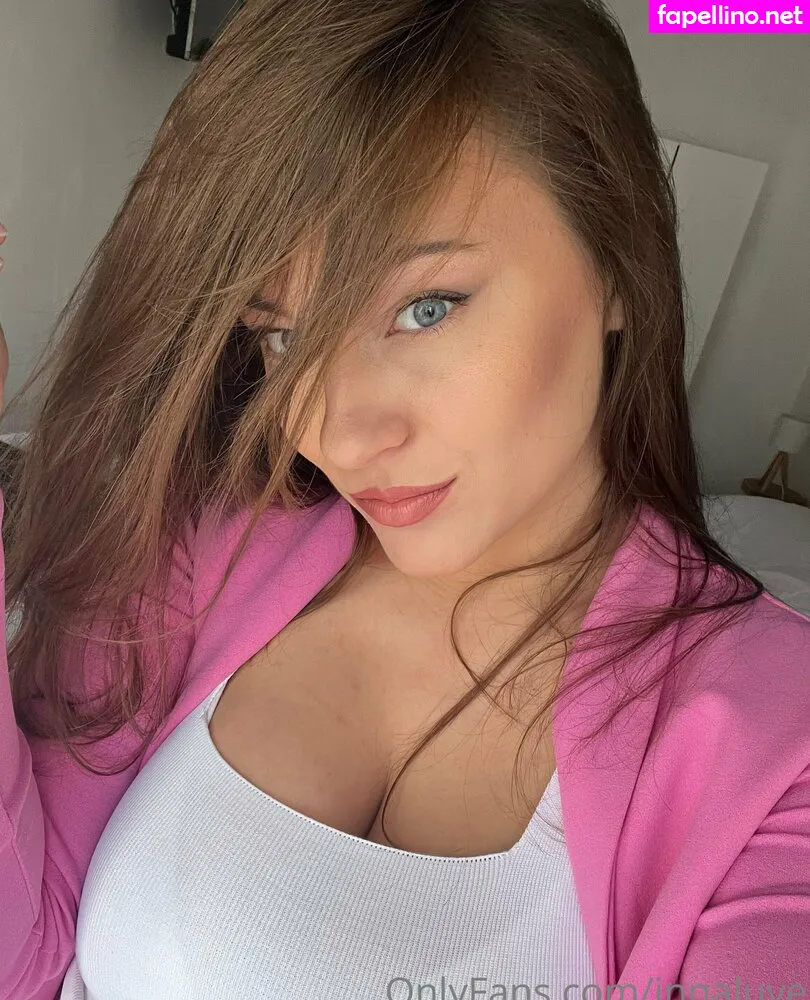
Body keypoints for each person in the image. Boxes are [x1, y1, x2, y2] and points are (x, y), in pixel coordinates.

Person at [1, 1, 809, 998]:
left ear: (616, 266)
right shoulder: (198, 552)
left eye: (426, 308)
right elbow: (23, 955)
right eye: (283, 337)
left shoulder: (777, 745)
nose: (334, 433)